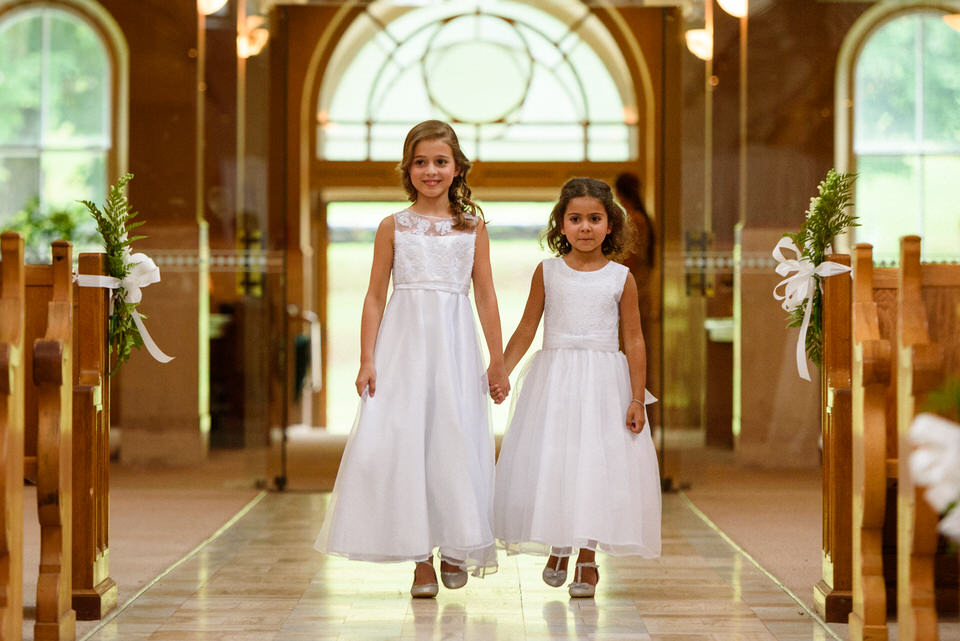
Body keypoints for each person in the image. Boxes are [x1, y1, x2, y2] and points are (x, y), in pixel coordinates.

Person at [314, 120, 510, 598]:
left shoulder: (472, 228)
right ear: (407, 168)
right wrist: (366, 358)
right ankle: (421, 559)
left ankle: (457, 542)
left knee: (454, 436)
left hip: (455, 345)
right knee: (408, 442)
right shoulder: (393, 226)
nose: (430, 171)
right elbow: (375, 296)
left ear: (458, 167)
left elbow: (485, 295)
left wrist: (497, 360)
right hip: (403, 345)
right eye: (420, 162)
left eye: (440, 161)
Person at [492, 177, 661, 598]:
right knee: (557, 461)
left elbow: (634, 338)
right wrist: (503, 370)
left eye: (594, 218)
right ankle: (559, 544)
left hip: (604, 383)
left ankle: (586, 557)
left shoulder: (621, 278)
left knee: (594, 466)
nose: (585, 227)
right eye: (575, 218)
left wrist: (637, 396)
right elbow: (528, 326)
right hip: (556, 382)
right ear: (561, 225)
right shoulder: (547, 272)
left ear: (610, 226)